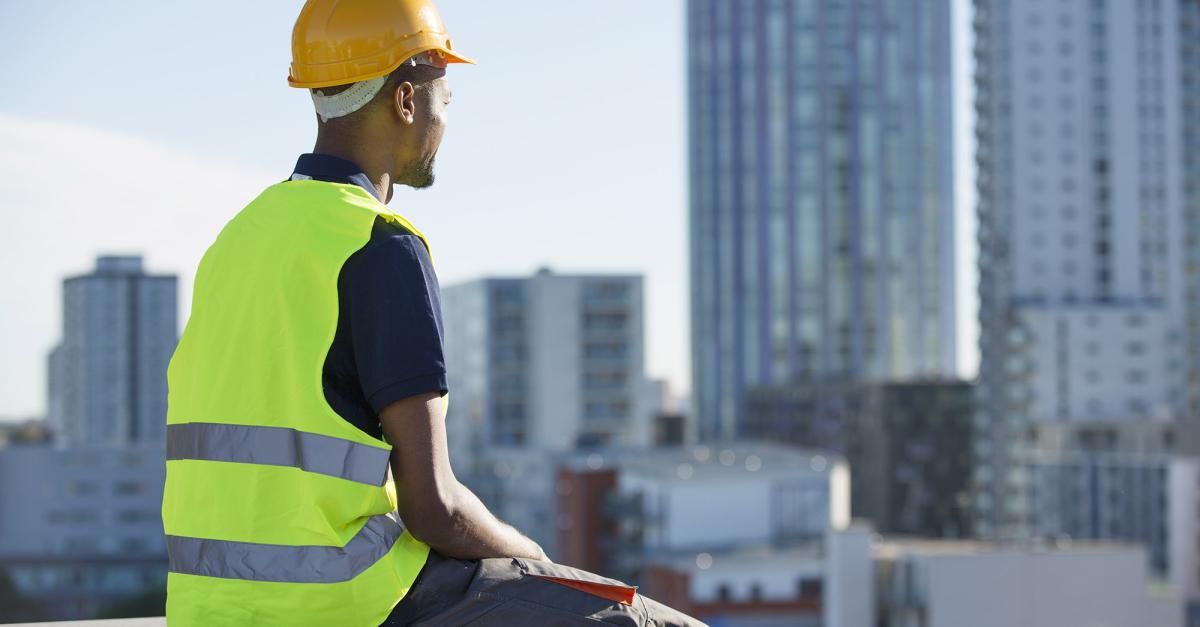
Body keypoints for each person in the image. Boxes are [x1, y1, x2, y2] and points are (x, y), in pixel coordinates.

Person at [161, 1, 706, 625]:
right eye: (444, 101)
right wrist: (532, 558)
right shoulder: (379, 244)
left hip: (211, 609)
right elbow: (436, 508)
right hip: (347, 604)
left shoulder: (236, 240)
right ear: (405, 99)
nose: (444, 121)